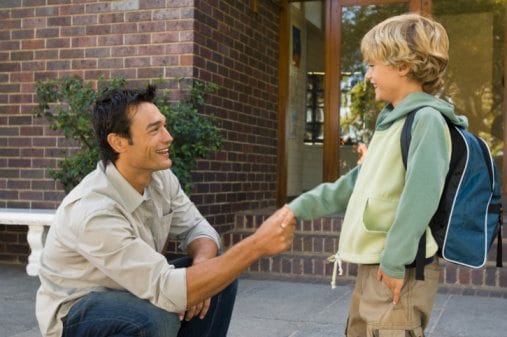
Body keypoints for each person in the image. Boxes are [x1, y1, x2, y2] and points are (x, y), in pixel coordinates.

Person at [36, 84, 296, 337]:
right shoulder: (93, 210)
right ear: (118, 142)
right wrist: (256, 245)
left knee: (218, 279)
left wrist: (203, 266)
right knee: (156, 317)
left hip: (135, 288)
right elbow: (165, 289)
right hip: (79, 314)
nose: (168, 136)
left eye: (165, 125)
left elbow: (198, 228)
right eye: (154, 129)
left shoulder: (161, 178)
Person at [284, 13, 468, 336]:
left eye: (372, 65)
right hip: (376, 267)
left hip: (400, 269)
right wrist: (297, 208)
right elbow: (353, 184)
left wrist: (395, 260)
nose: (367, 75)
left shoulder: (426, 120)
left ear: (403, 66)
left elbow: (420, 197)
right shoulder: (392, 121)